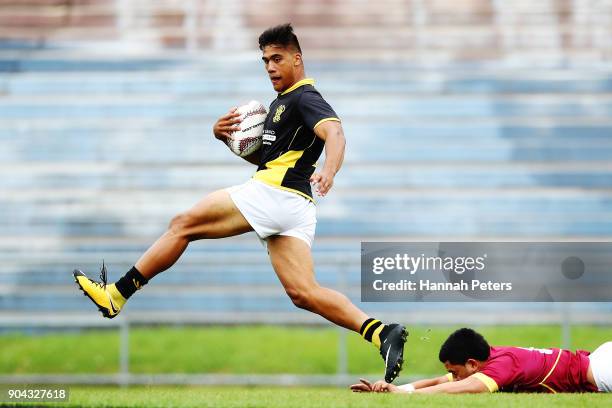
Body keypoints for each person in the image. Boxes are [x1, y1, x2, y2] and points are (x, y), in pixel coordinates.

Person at [72, 23, 407, 383]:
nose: (270, 67)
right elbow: (269, 157)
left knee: (183, 224)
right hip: (294, 204)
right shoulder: (282, 104)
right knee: (304, 293)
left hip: (274, 193)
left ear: (298, 58)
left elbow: (335, 133)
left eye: (277, 58)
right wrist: (226, 139)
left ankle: (116, 295)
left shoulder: (305, 97)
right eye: (265, 61)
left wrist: (330, 170)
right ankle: (381, 333)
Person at [351, 327, 612, 394]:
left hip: (602, 372)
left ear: (473, 364)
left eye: (456, 371)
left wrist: (403, 397)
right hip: (600, 359)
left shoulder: (499, 366)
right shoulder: (491, 356)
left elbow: (463, 387)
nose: (454, 377)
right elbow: (441, 381)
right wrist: (399, 389)